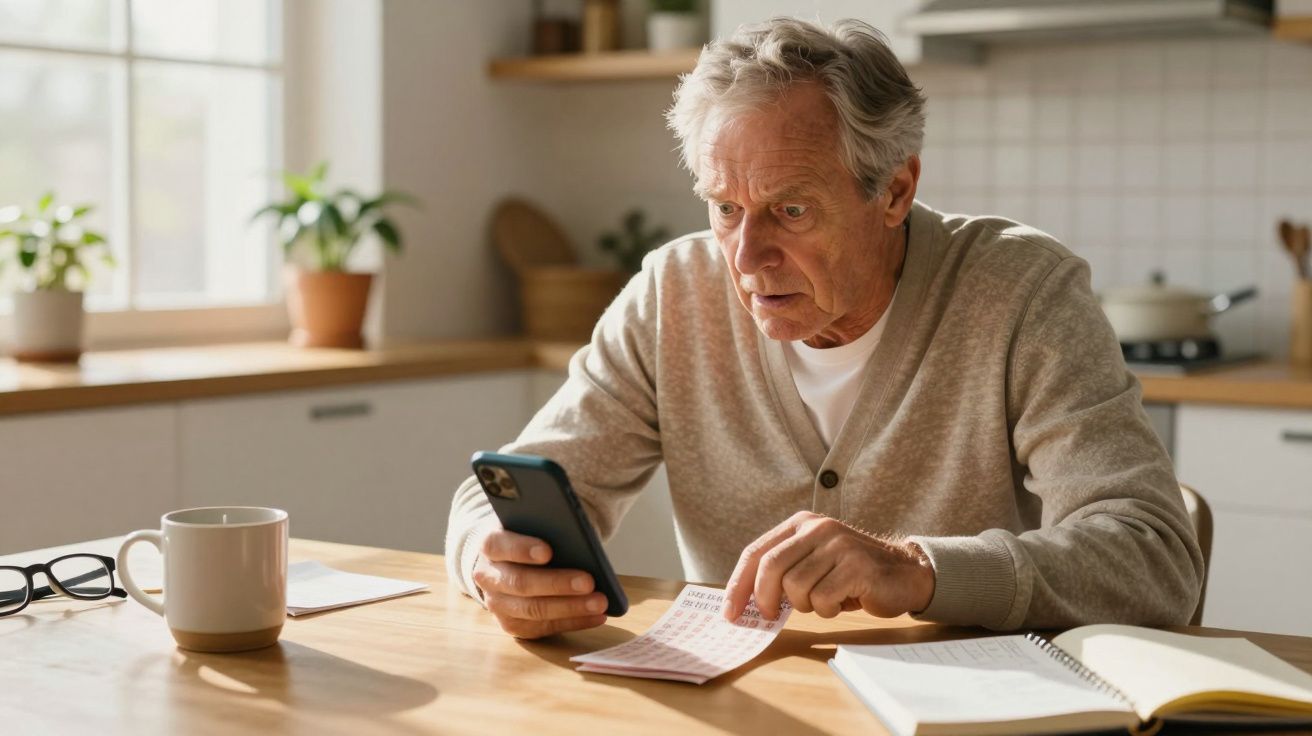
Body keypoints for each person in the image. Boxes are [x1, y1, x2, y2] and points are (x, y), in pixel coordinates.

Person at [445, 17, 1203, 640]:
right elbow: (502, 490)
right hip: (749, 708)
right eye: (725, 208)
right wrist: (486, 556)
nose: (746, 257)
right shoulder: (673, 293)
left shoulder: (1022, 292)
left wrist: (920, 570)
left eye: (791, 210)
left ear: (896, 189)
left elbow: (1156, 561)